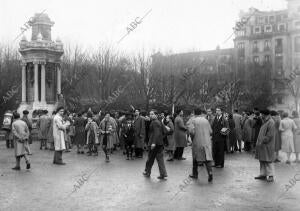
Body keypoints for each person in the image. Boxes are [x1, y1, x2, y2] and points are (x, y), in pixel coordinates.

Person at [188, 108, 213, 182]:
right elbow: (211, 131)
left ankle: (195, 174)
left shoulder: (193, 120)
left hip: (197, 142)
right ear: (201, 113)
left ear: (194, 113)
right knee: (207, 159)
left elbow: (191, 132)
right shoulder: (206, 120)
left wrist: (192, 139)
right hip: (207, 142)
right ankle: (210, 173)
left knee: (195, 158)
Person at [143, 110, 168, 180]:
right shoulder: (159, 121)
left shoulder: (154, 122)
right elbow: (166, 131)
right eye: (150, 114)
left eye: (152, 114)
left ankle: (147, 172)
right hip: (159, 143)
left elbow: (156, 133)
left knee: (150, 159)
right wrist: (161, 138)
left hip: (154, 144)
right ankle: (163, 174)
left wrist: (153, 142)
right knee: (160, 159)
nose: (150, 115)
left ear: (156, 115)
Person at [255, 109, 276, 182]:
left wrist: (263, 141)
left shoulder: (271, 122)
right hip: (262, 145)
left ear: (264, 114)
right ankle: (263, 174)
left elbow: (270, 135)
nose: (260, 115)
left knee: (268, 161)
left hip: (267, 145)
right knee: (262, 160)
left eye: (261, 114)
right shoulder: (265, 121)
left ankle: (271, 175)